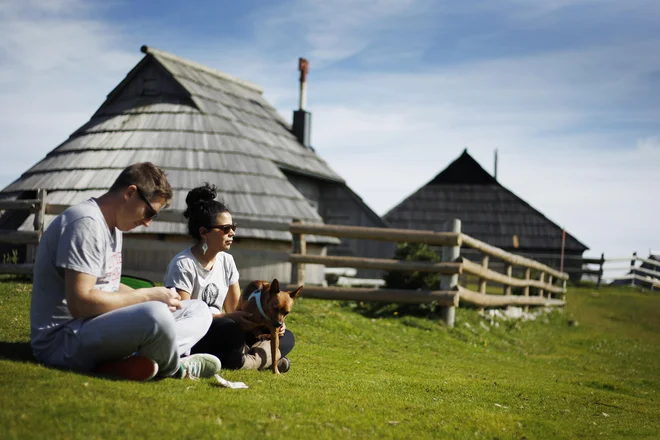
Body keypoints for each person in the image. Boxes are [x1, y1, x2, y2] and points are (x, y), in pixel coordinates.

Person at [30, 162, 221, 381]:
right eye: (149, 212)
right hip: (63, 341)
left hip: (93, 326)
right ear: (130, 193)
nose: (148, 223)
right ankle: (176, 368)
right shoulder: (86, 224)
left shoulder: (113, 227)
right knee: (155, 315)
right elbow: (80, 303)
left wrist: (160, 297)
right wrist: (148, 297)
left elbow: (107, 286)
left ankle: (128, 361)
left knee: (198, 309)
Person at [164, 183, 294, 372]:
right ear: (204, 232)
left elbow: (235, 309)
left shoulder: (227, 261)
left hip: (228, 327)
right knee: (229, 329)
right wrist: (227, 317)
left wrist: (269, 324)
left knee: (287, 336)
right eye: (225, 228)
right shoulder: (183, 264)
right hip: (200, 332)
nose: (232, 232)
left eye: (233, 227)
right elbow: (182, 315)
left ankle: (249, 360)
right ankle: (261, 358)